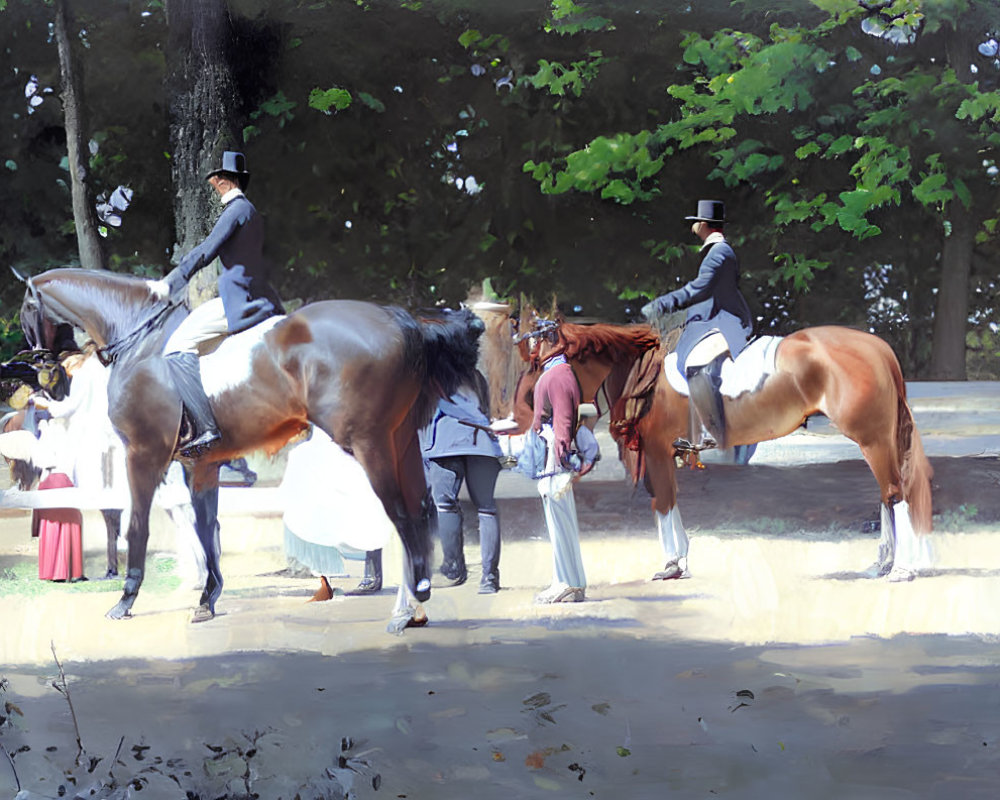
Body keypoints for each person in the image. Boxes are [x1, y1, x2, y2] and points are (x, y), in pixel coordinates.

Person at [147, 150, 283, 458]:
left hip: (239, 298)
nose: (212, 185)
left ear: (221, 181)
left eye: (214, 181)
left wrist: (170, 283)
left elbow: (207, 250)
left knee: (177, 347)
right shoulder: (249, 211)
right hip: (254, 292)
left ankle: (206, 427)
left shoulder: (236, 211)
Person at [641, 199, 753, 451]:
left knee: (695, 365)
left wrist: (662, 305)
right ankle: (692, 431)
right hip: (708, 318)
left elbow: (699, 289)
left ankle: (712, 432)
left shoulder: (719, 252)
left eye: (695, 223)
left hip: (724, 320)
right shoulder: (713, 252)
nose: (693, 227)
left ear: (703, 225)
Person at [529, 323, 600, 604]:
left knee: (560, 523)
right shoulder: (559, 371)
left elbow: (563, 423)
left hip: (554, 456)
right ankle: (570, 581)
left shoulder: (557, 375)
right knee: (561, 522)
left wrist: (559, 461)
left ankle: (567, 582)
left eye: (535, 339)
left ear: (547, 341)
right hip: (554, 454)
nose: (533, 347)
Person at [420, 372, 504, 594]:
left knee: (445, 504)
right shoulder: (476, 375)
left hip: (444, 442)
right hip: (483, 443)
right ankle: (489, 577)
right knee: (487, 508)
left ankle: (454, 567)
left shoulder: (430, 375)